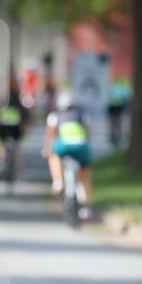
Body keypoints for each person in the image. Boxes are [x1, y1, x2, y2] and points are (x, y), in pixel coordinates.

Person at [43, 91, 93, 220]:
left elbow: (50, 135)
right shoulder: (83, 114)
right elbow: (88, 133)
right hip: (81, 146)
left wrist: (47, 149)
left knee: (53, 156)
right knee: (84, 178)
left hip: (63, 145)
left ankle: (58, 181)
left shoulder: (55, 115)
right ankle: (85, 208)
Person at [0, 75, 29, 176]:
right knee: (17, 147)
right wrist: (24, 133)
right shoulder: (19, 102)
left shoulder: (2, 101)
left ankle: (0, 162)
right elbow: (24, 120)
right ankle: (19, 168)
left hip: (3, 127)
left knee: (0, 144)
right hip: (15, 128)